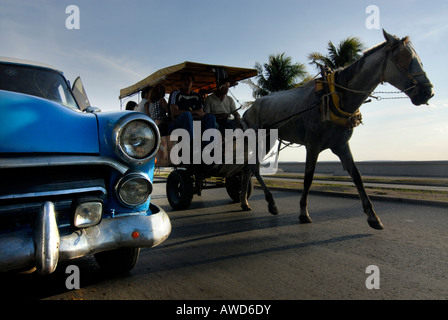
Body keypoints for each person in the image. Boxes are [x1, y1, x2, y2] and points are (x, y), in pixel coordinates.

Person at [168, 72, 216, 142]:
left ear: (192, 83)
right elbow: (174, 112)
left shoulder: (196, 96)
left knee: (211, 117)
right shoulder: (176, 94)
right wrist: (193, 113)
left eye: (189, 80)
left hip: (194, 120)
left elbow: (201, 112)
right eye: (184, 80)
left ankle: (208, 145)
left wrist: (194, 114)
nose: (186, 82)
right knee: (187, 115)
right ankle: (191, 143)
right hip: (177, 122)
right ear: (181, 82)